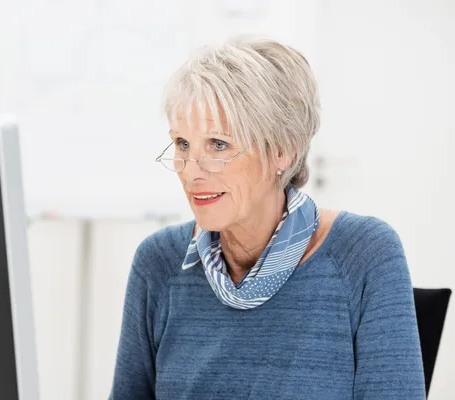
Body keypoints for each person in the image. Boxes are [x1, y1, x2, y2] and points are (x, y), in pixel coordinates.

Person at [109, 36, 425, 399]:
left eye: (218, 144)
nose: (190, 172)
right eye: (182, 144)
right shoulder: (158, 262)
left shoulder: (364, 254)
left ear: (283, 152)